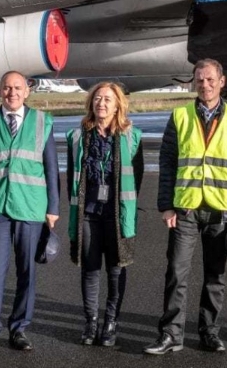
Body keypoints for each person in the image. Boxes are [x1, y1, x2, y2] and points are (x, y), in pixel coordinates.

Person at [143, 59, 227, 355]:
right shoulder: (179, 116)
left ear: (221, 81)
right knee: (177, 273)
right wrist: (166, 205)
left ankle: (209, 332)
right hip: (186, 210)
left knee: (215, 277)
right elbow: (166, 163)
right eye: (199, 80)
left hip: (221, 210)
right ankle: (170, 334)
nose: (204, 85)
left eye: (209, 79)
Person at [0, 71, 60, 353]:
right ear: (0, 91)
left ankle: (19, 329)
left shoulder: (43, 122)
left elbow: (51, 168)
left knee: (27, 272)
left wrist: (53, 207)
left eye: (17, 88)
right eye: (7, 88)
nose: (12, 93)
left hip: (30, 207)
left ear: (27, 91)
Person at [66, 82, 144, 347]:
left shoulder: (132, 136)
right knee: (89, 270)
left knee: (116, 269)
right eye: (97, 98)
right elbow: (71, 180)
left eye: (107, 99)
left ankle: (111, 322)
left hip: (116, 214)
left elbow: (138, 177)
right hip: (88, 213)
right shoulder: (77, 136)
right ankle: (90, 322)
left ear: (118, 105)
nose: (101, 103)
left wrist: (126, 210)